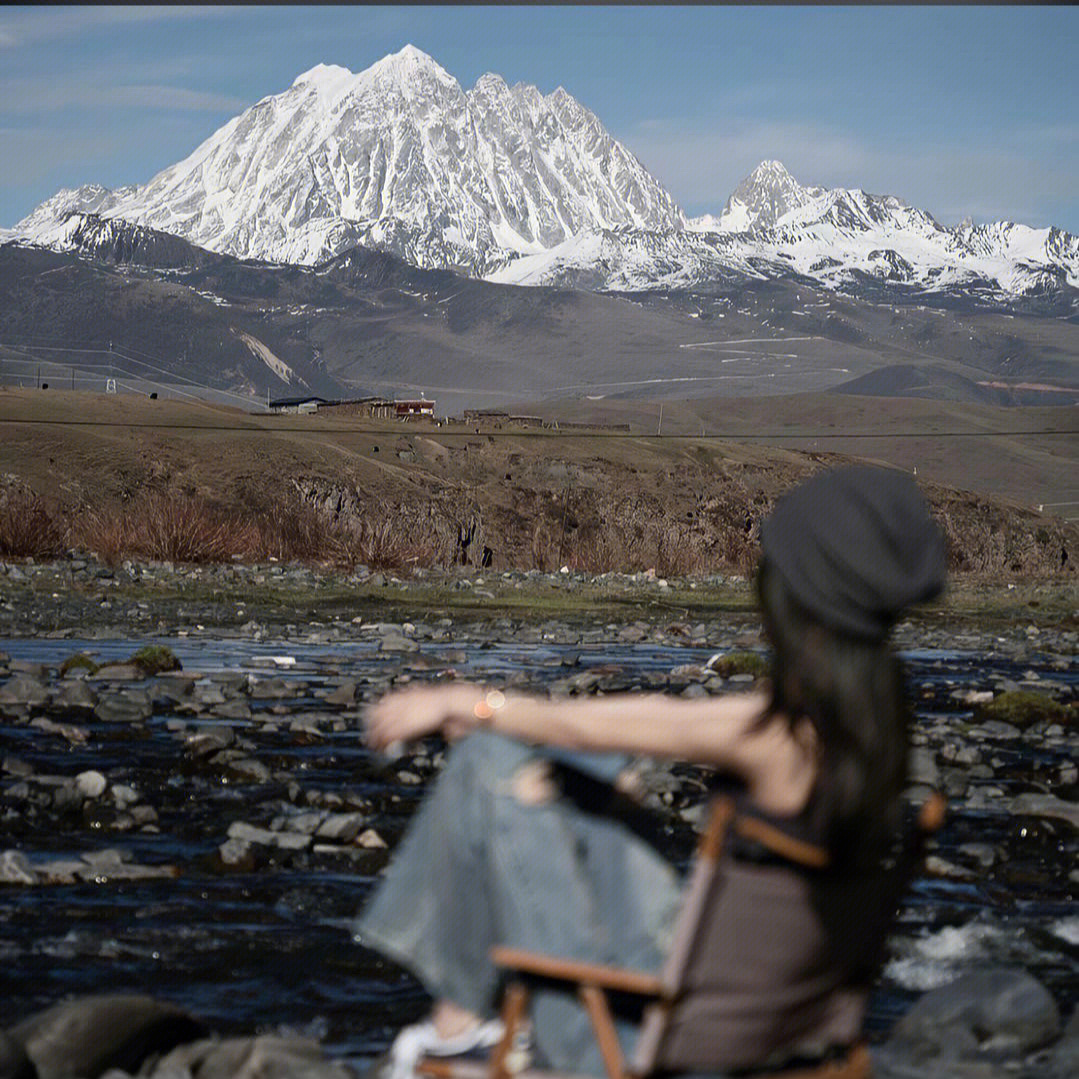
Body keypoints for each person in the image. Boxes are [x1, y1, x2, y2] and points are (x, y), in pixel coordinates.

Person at [356, 465, 947, 1079]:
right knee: (564, 770)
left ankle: (457, 1028)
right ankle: (458, 1022)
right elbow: (653, 724)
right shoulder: (879, 726)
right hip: (774, 1020)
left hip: (650, 1039)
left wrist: (470, 703)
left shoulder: (779, 738)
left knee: (487, 762)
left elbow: (656, 721)